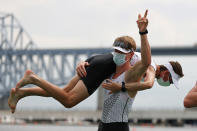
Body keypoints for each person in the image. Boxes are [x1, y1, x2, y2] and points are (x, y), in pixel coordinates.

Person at [8, 18, 138, 114]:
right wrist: (143, 32)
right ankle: (34, 78)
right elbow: (147, 83)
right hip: (101, 67)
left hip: (96, 60)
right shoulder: (146, 64)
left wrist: (84, 63)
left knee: (63, 91)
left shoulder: (133, 58)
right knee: (69, 101)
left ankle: (21, 93)